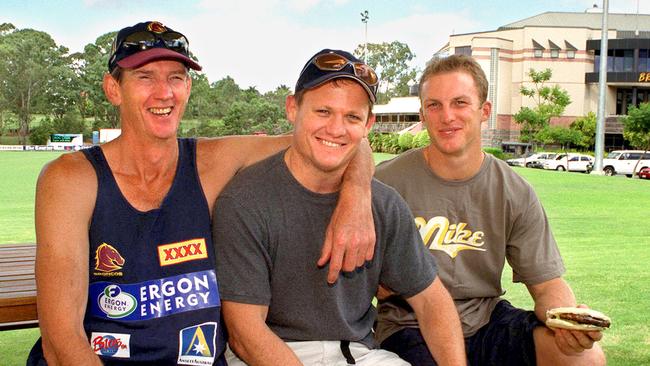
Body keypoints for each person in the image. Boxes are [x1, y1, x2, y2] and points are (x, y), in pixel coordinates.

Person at [28, 22, 375, 365]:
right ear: (113, 88)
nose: (164, 92)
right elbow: (62, 343)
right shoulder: (71, 179)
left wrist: (357, 199)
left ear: (188, 87)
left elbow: (335, 140)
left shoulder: (210, 163)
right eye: (145, 77)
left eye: (176, 77)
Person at [212, 49, 466, 366]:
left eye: (352, 117)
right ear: (293, 108)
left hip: (356, 353)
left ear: (368, 124)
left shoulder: (383, 204)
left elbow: (433, 301)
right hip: (267, 355)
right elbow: (245, 333)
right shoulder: (245, 201)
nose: (336, 129)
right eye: (323, 111)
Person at [374, 54, 607, 366]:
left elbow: (547, 283)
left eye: (459, 103)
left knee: (585, 358)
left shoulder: (513, 190)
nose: (447, 116)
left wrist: (565, 322)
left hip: (486, 322)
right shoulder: (386, 182)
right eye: (434, 105)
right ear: (422, 114)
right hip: (408, 325)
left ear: (484, 111)